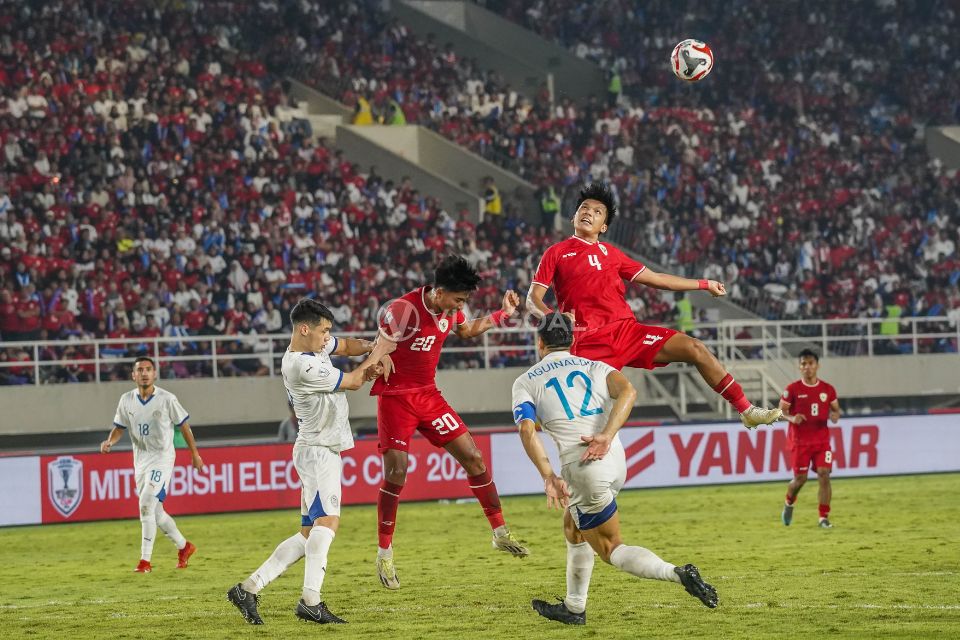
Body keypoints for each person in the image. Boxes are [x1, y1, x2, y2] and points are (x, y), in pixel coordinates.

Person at [512, 313, 718, 625]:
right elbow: (629, 391)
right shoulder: (595, 366)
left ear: (539, 342)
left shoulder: (527, 381)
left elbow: (527, 430)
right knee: (573, 525)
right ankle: (574, 606)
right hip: (614, 457)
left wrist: (548, 476)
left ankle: (677, 574)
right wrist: (607, 435)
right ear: (572, 340)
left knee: (611, 548)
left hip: (583, 467)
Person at [526, 183, 782, 430]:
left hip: (628, 333)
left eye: (596, 211)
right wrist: (556, 319)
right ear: (573, 217)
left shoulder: (613, 254)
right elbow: (533, 299)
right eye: (584, 207)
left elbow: (658, 279)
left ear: (603, 226)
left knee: (695, 348)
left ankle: (747, 410)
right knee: (582, 421)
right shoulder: (556, 252)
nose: (588, 212)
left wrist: (704, 284)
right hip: (588, 341)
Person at [227, 299, 395, 625]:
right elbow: (353, 381)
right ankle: (310, 601)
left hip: (318, 448)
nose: (327, 337)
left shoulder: (314, 348)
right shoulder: (299, 365)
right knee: (328, 523)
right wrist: (380, 353)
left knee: (308, 535)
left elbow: (346, 346)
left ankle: (248, 588)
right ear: (305, 329)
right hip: (318, 450)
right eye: (323, 331)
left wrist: (373, 346)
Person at [372, 255, 529, 590]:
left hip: (428, 396)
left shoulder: (450, 309)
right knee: (397, 472)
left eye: (464, 301)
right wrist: (378, 358)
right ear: (438, 291)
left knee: (473, 457)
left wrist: (503, 315)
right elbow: (379, 346)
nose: (461, 306)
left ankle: (500, 533)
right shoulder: (404, 309)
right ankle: (384, 552)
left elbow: (469, 330)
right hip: (396, 397)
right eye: (458, 300)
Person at [100, 356, 204, 573]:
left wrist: (195, 454)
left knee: (146, 502)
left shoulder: (167, 399)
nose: (144, 373)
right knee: (155, 513)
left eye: (148, 369)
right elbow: (120, 427)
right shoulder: (126, 400)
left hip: (162, 458)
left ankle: (144, 561)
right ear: (133, 375)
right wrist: (110, 440)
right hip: (140, 461)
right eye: (140, 370)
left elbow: (184, 426)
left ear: (155, 374)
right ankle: (184, 547)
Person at [779, 349, 841, 528]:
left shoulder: (827, 389)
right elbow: (781, 412)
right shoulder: (792, 389)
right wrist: (792, 418)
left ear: (817, 365)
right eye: (803, 364)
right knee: (800, 479)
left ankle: (823, 517)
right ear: (799, 367)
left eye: (810, 363)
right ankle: (789, 502)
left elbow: (836, 409)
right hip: (800, 442)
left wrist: (835, 415)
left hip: (822, 441)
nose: (807, 367)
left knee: (824, 474)